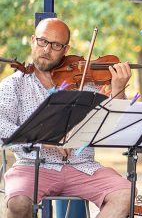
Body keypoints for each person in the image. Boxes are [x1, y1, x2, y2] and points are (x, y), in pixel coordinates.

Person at [0, 18, 132, 218]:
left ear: (65, 49)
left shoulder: (86, 83)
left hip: (82, 166)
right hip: (32, 165)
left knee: (126, 194)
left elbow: (112, 126)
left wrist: (118, 91)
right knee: (18, 204)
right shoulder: (14, 85)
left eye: (56, 45)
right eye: (43, 41)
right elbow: (1, 126)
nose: (47, 50)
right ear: (33, 40)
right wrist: (42, 142)